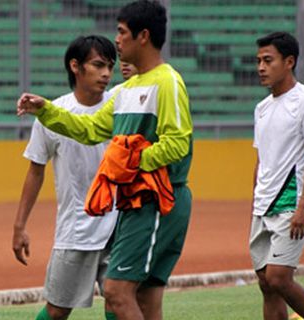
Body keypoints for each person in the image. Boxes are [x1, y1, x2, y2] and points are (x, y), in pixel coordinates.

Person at [16, 1, 193, 319]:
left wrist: (131, 163)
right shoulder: (128, 89)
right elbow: (89, 129)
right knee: (144, 297)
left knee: (116, 291)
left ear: (143, 36)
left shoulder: (167, 81)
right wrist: (46, 110)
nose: (117, 39)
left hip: (156, 201)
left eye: (122, 32)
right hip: (132, 205)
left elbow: (178, 143)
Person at [12, 35, 118, 320]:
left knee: (120, 302)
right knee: (57, 310)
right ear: (75, 66)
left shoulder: (121, 106)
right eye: (98, 65)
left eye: (110, 66)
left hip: (120, 227)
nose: (106, 73)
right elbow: (36, 170)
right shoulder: (52, 114)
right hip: (76, 232)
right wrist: (19, 226)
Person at [251, 32, 304, 320]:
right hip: (262, 205)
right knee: (267, 284)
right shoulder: (262, 108)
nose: (260, 67)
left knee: (280, 277)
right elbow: (261, 161)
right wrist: (253, 207)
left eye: (268, 60)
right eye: (258, 61)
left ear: (289, 62)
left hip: (291, 204)